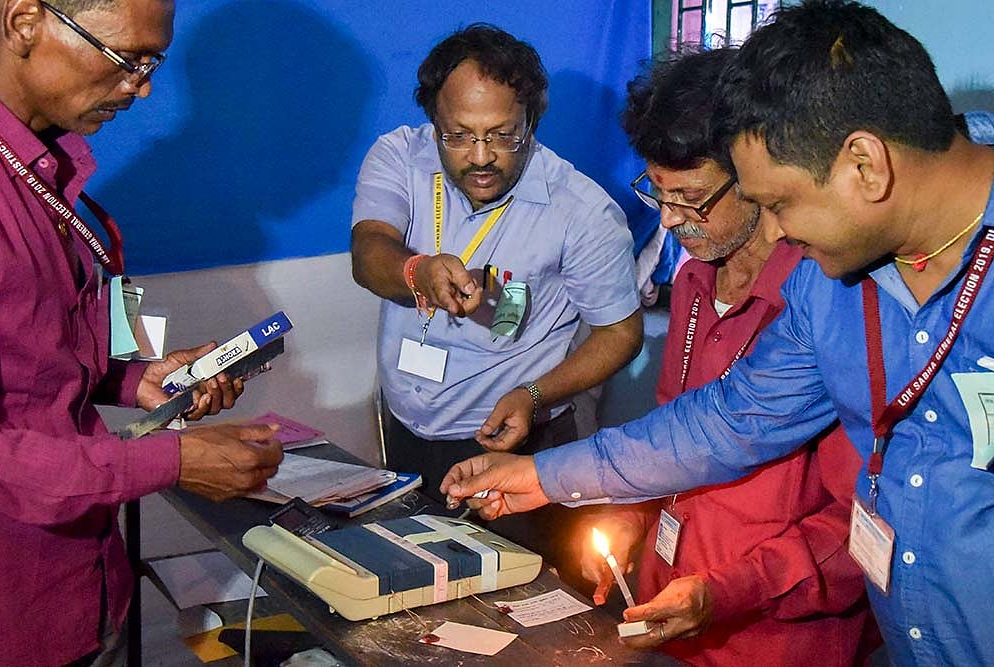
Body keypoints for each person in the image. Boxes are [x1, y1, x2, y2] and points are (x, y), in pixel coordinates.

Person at [442, 2, 994, 663]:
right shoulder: (826, 285)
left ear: (866, 166)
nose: (778, 230)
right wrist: (545, 475)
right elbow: (723, 423)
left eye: (782, 203)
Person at [0, 1, 284, 664]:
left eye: (154, 63)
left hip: (83, 590)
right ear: (25, 22)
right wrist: (176, 460)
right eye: (129, 60)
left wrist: (134, 378)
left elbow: (30, 363)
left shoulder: (43, 170)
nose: (144, 86)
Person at [578, 48, 873, 666]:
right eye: (657, 193)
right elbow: (672, 436)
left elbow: (857, 530)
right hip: (667, 618)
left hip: (774, 639)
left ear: (758, 177)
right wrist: (634, 511)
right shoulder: (692, 282)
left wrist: (724, 593)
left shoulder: (828, 301)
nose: (670, 220)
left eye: (691, 198)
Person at [350, 24, 642, 566]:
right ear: (433, 123)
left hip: (512, 444)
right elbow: (369, 252)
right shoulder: (399, 158)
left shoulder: (582, 212)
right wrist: (417, 271)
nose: (480, 157)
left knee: (518, 609)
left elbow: (621, 332)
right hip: (406, 433)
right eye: (457, 136)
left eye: (503, 135)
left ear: (532, 121)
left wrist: (534, 396)